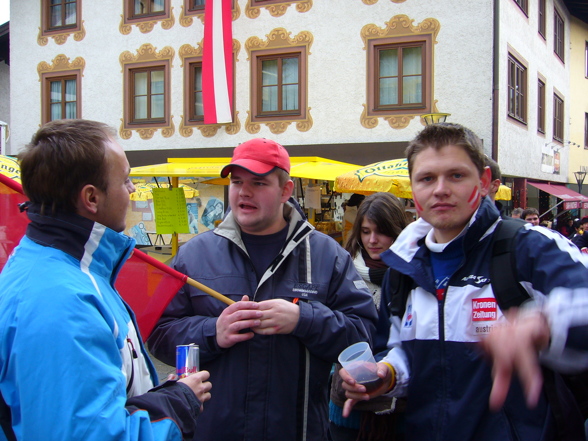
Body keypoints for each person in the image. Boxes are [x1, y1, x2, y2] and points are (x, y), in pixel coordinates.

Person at [340, 123, 588, 440]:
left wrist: (543, 326)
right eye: (427, 178)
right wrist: (385, 374)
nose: (440, 189)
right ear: (413, 189)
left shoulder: (528, 246)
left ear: (484, 182)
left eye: (456, 175)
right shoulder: (403, 266)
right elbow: (396, 349)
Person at [147, 138, 378, 441]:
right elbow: (158, 333)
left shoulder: (327, 256)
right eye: (237, 181)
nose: (244, 192)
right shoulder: (193, 256)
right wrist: (213, 331)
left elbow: (365, 335)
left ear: (285, 190)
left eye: (258, 183)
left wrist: (303, 319)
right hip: (212, 431)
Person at [0, 120, 212, 441]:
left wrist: (162, 396)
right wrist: (178, 402)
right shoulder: (61, 302)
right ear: (91, 198)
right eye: (125, 180)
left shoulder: (75, 269)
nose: (131, 190)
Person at [329, 192, 407, 441]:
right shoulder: (342, 269)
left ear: (397, 231)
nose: (372, 240)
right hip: (347, 403)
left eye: (381, 231)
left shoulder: (411, 275)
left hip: (397, 404)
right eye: (365, 231)